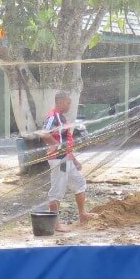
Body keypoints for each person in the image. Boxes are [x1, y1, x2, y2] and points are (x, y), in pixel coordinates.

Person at [43, 90, 89, 232]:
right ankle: (55, 224)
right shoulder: (53, 116)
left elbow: (66, 142)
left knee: (80, 183)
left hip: (66, 159)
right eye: (68, 103)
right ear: (61, 102)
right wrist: (55, 145)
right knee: (57, 190)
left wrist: (74, 160)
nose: (70, 105)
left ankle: (83, 214)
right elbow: (44, 133)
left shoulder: (62, 118)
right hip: (59, 160)